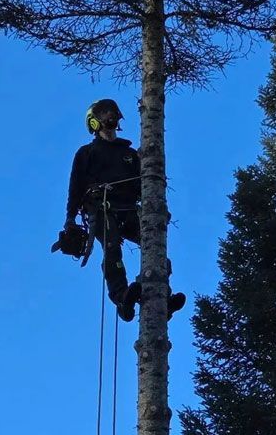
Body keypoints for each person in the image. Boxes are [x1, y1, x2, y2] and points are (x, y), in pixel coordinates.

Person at [62, 98, 186, 323]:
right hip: (101, 208)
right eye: (103, 114)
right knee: (111, 247)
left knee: (154, 244)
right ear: (94, 122)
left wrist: (158, 208)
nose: (109, 117)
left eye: (111, 113)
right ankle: (122, 298)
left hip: (129, 209)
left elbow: (145, 187)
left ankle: (162, 297)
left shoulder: (130, 154)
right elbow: (75, 186)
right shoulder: (86, 153)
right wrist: (69, 219)